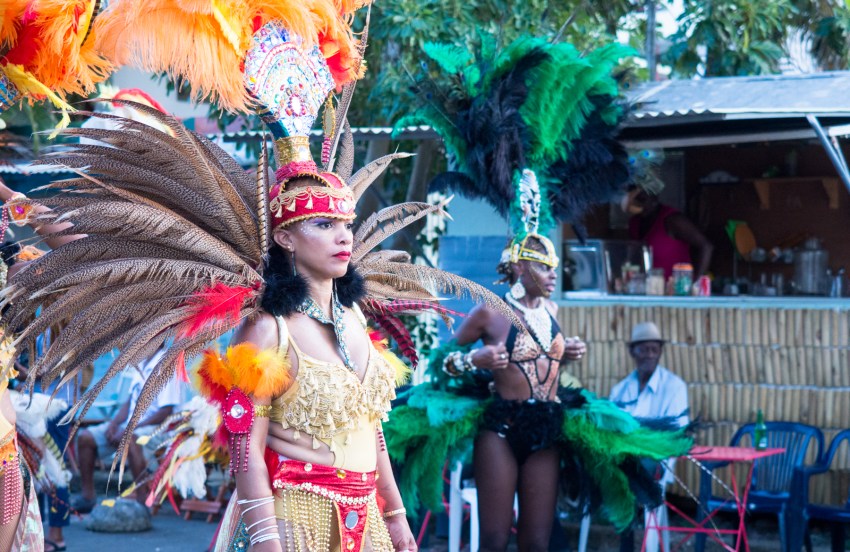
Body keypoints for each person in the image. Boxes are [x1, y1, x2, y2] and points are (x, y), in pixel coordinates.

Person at [610, 321, 690, 552]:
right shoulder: (621, 389)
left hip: (657, 459)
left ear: (660, 353)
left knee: (632, 471)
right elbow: (614, 433)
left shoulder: (674, 387)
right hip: (626, 459)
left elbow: (677, 433)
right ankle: (627, 543)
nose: (649, 355)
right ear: (632, 351)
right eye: (643, 349)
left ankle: (639, 543)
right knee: (610, 468)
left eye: (654, 350)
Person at [74, 348, 182, 512]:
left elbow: (165, 412)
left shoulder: (168, 364)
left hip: (157, 429)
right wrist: (114, 423)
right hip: (131, 426)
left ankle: (141, 501)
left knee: (131, 439)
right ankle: (88, 496)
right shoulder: (141, 362)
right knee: (85, 437)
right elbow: (130, 401)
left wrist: (129, 429)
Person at [625, 187, 714, 280]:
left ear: (654, 198)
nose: (639, 204)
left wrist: (695, 282)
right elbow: (632, 257)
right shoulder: (634, 222)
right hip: (646, 288)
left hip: (677, 289)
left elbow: (706, 246)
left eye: (642, 199)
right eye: (635, 200)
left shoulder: (672, 220)